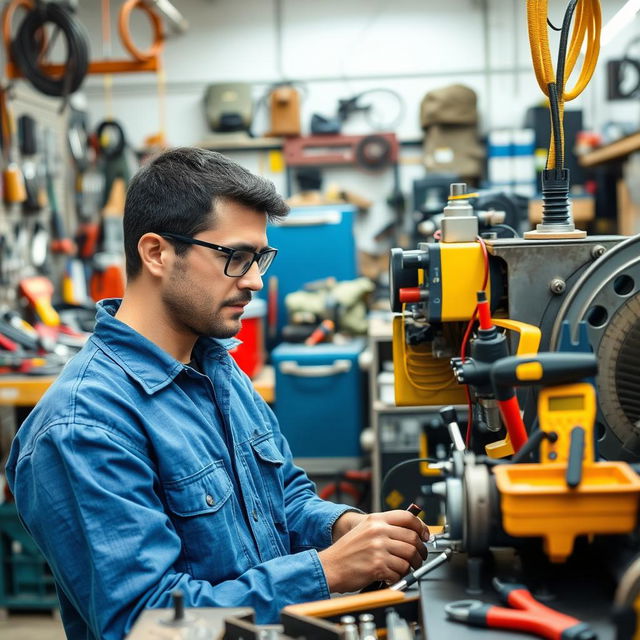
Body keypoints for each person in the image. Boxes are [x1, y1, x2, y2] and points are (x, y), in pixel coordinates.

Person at [6, 148, 429, 640]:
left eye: (259, 258)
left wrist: (343, 528)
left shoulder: (216, 366)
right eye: (235, 258)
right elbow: (146, 626)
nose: (254, 280)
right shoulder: (84, 427)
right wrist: (327, 570)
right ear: (157, 253)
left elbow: (282, 498)